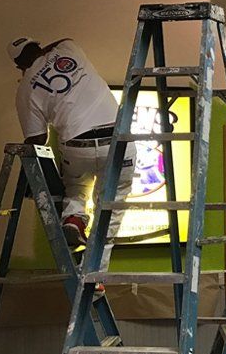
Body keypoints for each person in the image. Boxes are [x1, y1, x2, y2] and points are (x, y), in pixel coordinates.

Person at [8, 36, 135, 269]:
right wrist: (45, 55)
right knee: (111, 207)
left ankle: (74, 218)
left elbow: (37, 139)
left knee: (76, 187)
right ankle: (94, 272)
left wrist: (29, 77)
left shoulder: (25, 90)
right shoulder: (69, 49)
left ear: (19, 65)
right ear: (39, 46)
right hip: (117, 140)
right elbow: (64, 39)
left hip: (77, 146)